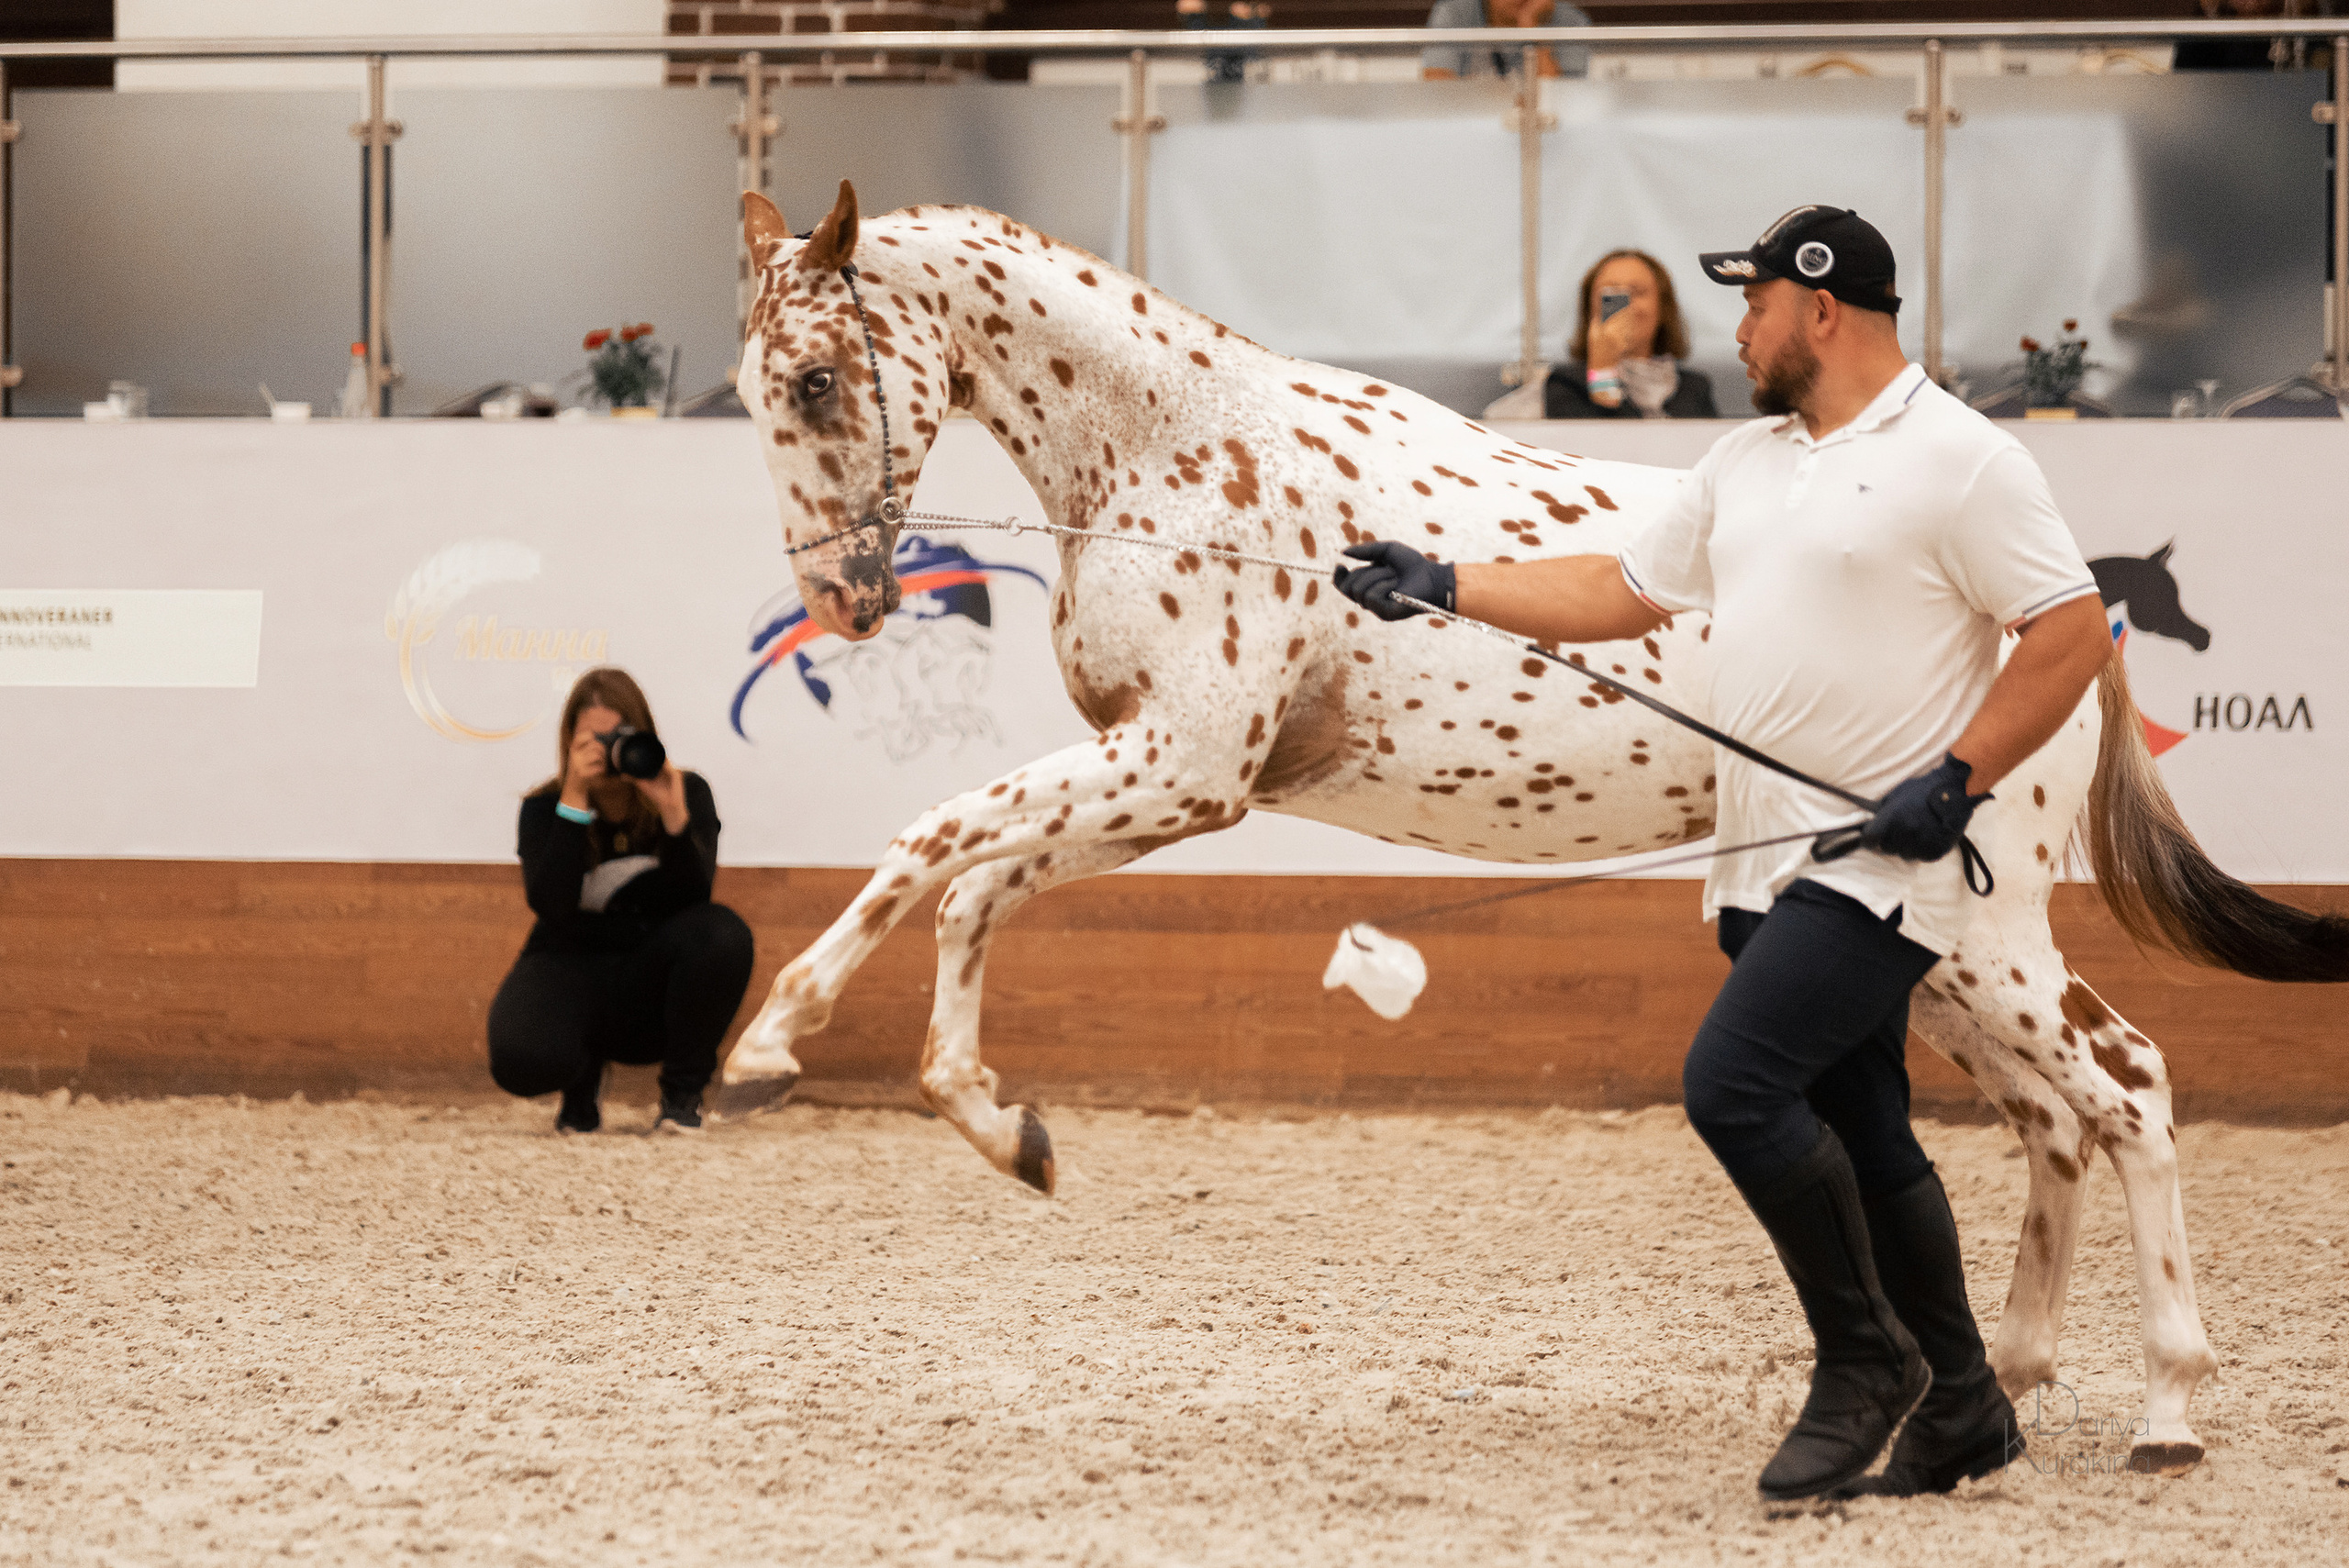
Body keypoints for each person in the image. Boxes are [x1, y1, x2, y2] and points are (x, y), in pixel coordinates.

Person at [1333, 206, 2111, 1502]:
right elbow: (1620, 591)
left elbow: (2072, 630)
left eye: (1754, 303)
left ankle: (1866, 1362)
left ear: (1823, 308)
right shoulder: (1746, 459)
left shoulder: (1961, 459)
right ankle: (1967, 1405)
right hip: (1758, 861)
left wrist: (1959, 778)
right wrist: (1447, 581)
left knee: (1733, 1086)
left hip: (1880, 861)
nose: (1738, 328)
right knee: (1866, 1127)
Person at [488, 668, 755, 1135]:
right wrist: (574, 797)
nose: (608, 750)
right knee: (520, 1057)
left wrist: (673, 816)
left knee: (722, 934)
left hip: (648, 977)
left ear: (642, 733)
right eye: (593, 738)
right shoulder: (542, 808)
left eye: (619, 736)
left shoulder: (686, 792)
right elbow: (552, 906)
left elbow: (693, 901)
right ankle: (579, 1083)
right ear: (569, 740)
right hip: (569, 966)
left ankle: (681, 1096)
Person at [1546, 250, 1719, 419]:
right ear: (1589, 308)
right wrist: (1603, 372)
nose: (1625, 305)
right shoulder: (1565, 384)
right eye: (1611, 294)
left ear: (1663, 308)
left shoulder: (1695, 388)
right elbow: (1594, 443)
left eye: (1637, 292)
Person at [1421, 0, 1591, 82]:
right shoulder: (1453, 14)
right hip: (1472, 133)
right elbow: (1437, 89)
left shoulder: (1571, 21)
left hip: (1545, 140)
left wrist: (1532, 28)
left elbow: (1560, 103)